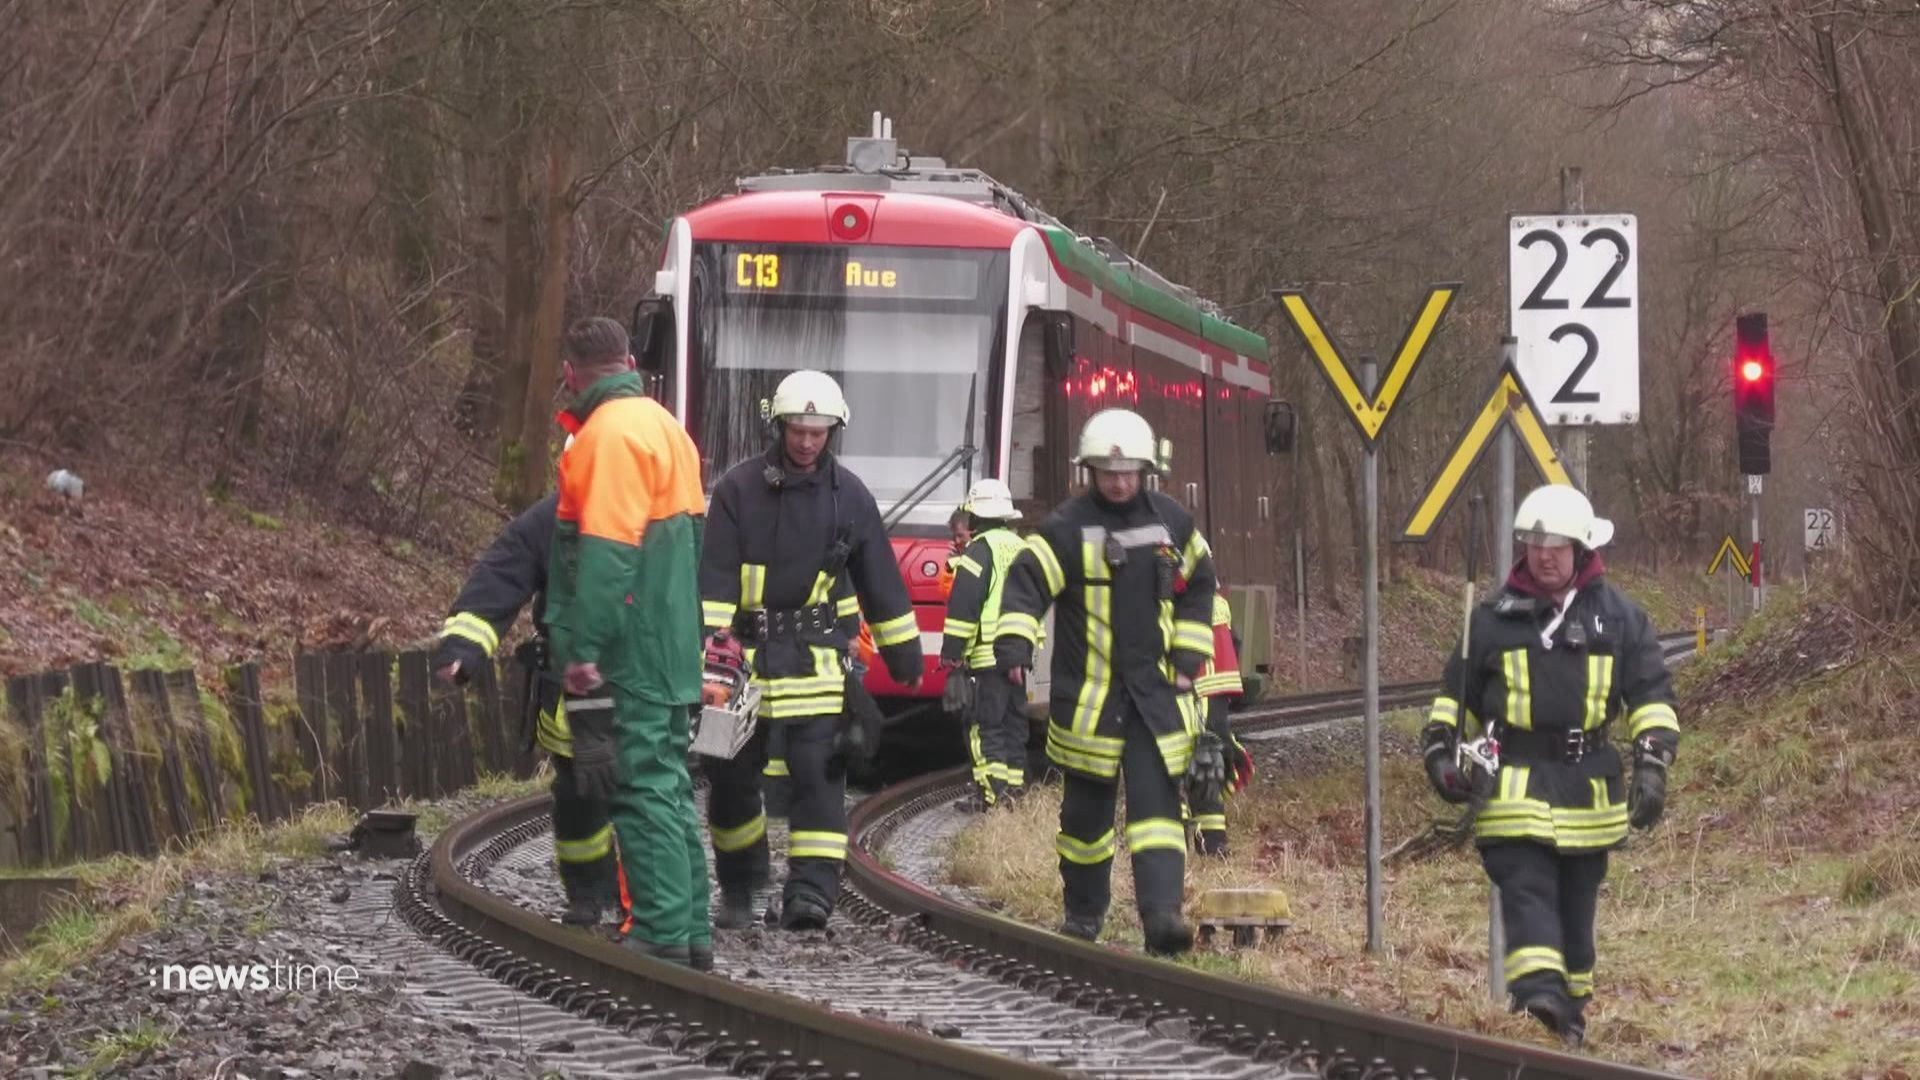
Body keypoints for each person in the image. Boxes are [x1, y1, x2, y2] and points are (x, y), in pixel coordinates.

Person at [1420, 483, 1680, 1048]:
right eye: (1534, 542)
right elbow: (1452, 698)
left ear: (1582, 549)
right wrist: (1440, 753)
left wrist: (1653, 766)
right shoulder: (1489, 621)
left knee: (1576, 907)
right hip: (1512, 785)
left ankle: (1570, 1011)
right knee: (1526, 885)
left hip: (1588, 789)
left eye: (1556, 544)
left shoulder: (1621, 621)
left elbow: (1651, 698)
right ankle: (1537, 993)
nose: (1543, 554)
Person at [698, 368, 924, 931]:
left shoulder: (851, 497)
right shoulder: (736, 490)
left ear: (833, 431)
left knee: (818, 781)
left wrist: (905, 660)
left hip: (816, 664)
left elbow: (881, 584)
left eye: (818, 431)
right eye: (798, 429)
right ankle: (742, 885)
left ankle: (811, 895)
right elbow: (716, 579)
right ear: (779, 425)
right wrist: (709, 657)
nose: (806, 441)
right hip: (743, 664)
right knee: (729, 783)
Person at [993, 408, 1216, 956]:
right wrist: (1014, 645)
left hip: (1155, 700)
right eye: (1108, 471)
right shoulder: (1064, 529)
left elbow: (1201, 583)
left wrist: (1189, 652)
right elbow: (1025, 587)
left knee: (1158, 814)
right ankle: (1084, 914)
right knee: (1084, 822)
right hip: (1089, 702)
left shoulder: (1172, 523)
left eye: (1129, 471)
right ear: (1087, 470)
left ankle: (1162, 918)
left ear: (1146, 470)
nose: (1119, 481)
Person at [544, 316, 711, 968]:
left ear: (570, 374)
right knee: (667, 786)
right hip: (671, 640)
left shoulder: (607, 438)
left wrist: (584, 648)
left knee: (639, 786)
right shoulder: (665, 426)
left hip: (632, 645)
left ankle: (661, 934)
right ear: (630, 360)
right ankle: (692, 933)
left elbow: (609, 553)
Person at [430, 486, 633, 929]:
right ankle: (587, 891)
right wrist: (464, 647)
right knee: (580, 798)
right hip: (570, 693)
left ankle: (642, 906)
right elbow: (498, 580)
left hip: (639, 684)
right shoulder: (547, 521)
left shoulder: (656, 518)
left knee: (640, 795)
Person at [939, 477, 1032, 811]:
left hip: (988, 655)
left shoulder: (980, 549)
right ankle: (1015, 795)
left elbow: (965, 604)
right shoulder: (1020, 547)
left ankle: (993, 798)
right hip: (1020, 655)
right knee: (1014, 724)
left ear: (974, 515)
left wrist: (951, 653)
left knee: (985, 726)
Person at [1185, 581, 1254, 856]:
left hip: (1194, 694)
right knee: (1209, 769)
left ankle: (1187, 845)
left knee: (1185, 766)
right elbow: (1234, 645)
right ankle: (1213, 846)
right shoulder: (1220, 605)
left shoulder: (1183, 606)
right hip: (1215, 699)